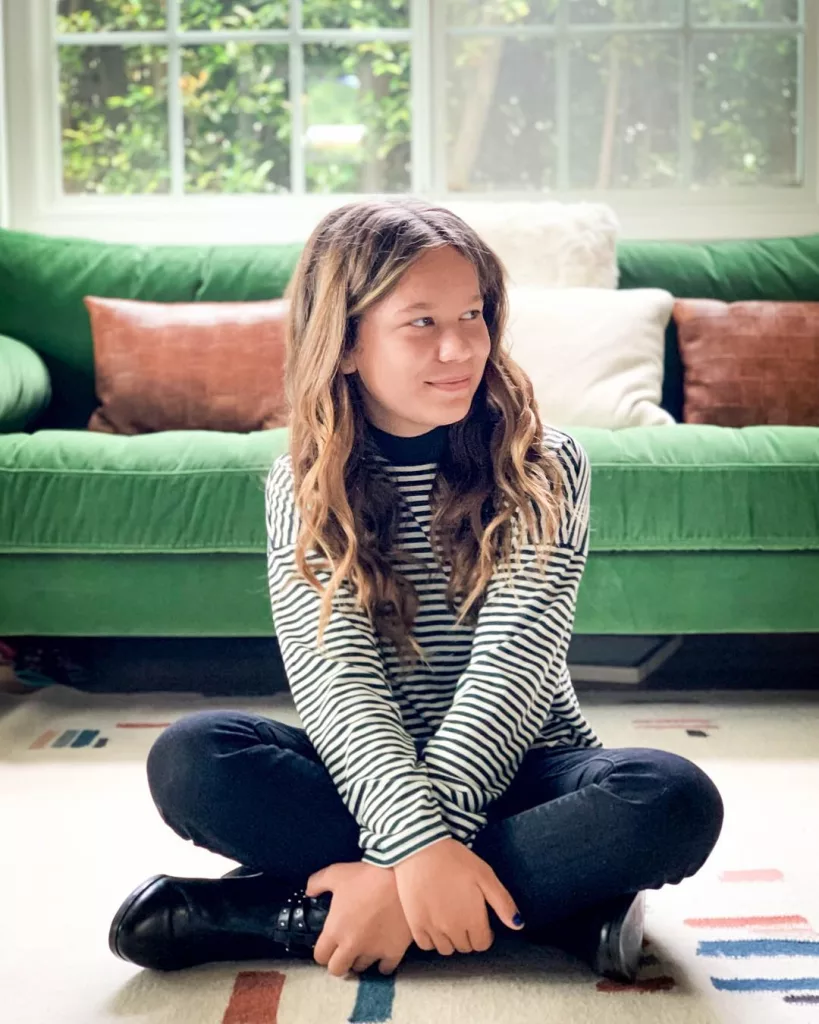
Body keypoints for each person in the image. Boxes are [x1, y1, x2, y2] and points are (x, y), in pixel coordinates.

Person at [108, 197, 724, 984]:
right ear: (345, 344)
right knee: (193, 759)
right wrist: (414, 843)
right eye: (421, 323)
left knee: (670, 799)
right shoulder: (302, 481)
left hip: (524, 774)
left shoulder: (546, 463)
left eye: (472, 315)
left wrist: (421, 857)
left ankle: (296, 915)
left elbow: (514, 669)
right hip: (369, 775)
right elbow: (337, 686)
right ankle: (558, 911)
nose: (461, 347)